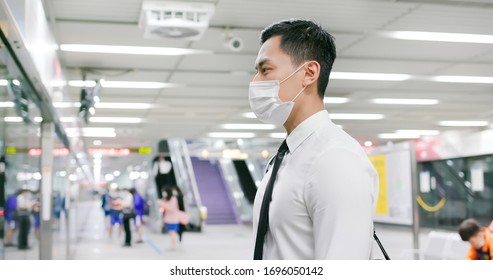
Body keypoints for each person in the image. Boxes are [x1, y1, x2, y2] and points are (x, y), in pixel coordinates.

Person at [250, 19, 379, 260]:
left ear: (309, 73)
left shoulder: (335, 159)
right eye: (256, 72)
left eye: (265, 70)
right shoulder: (287, 156)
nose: (256, 82)